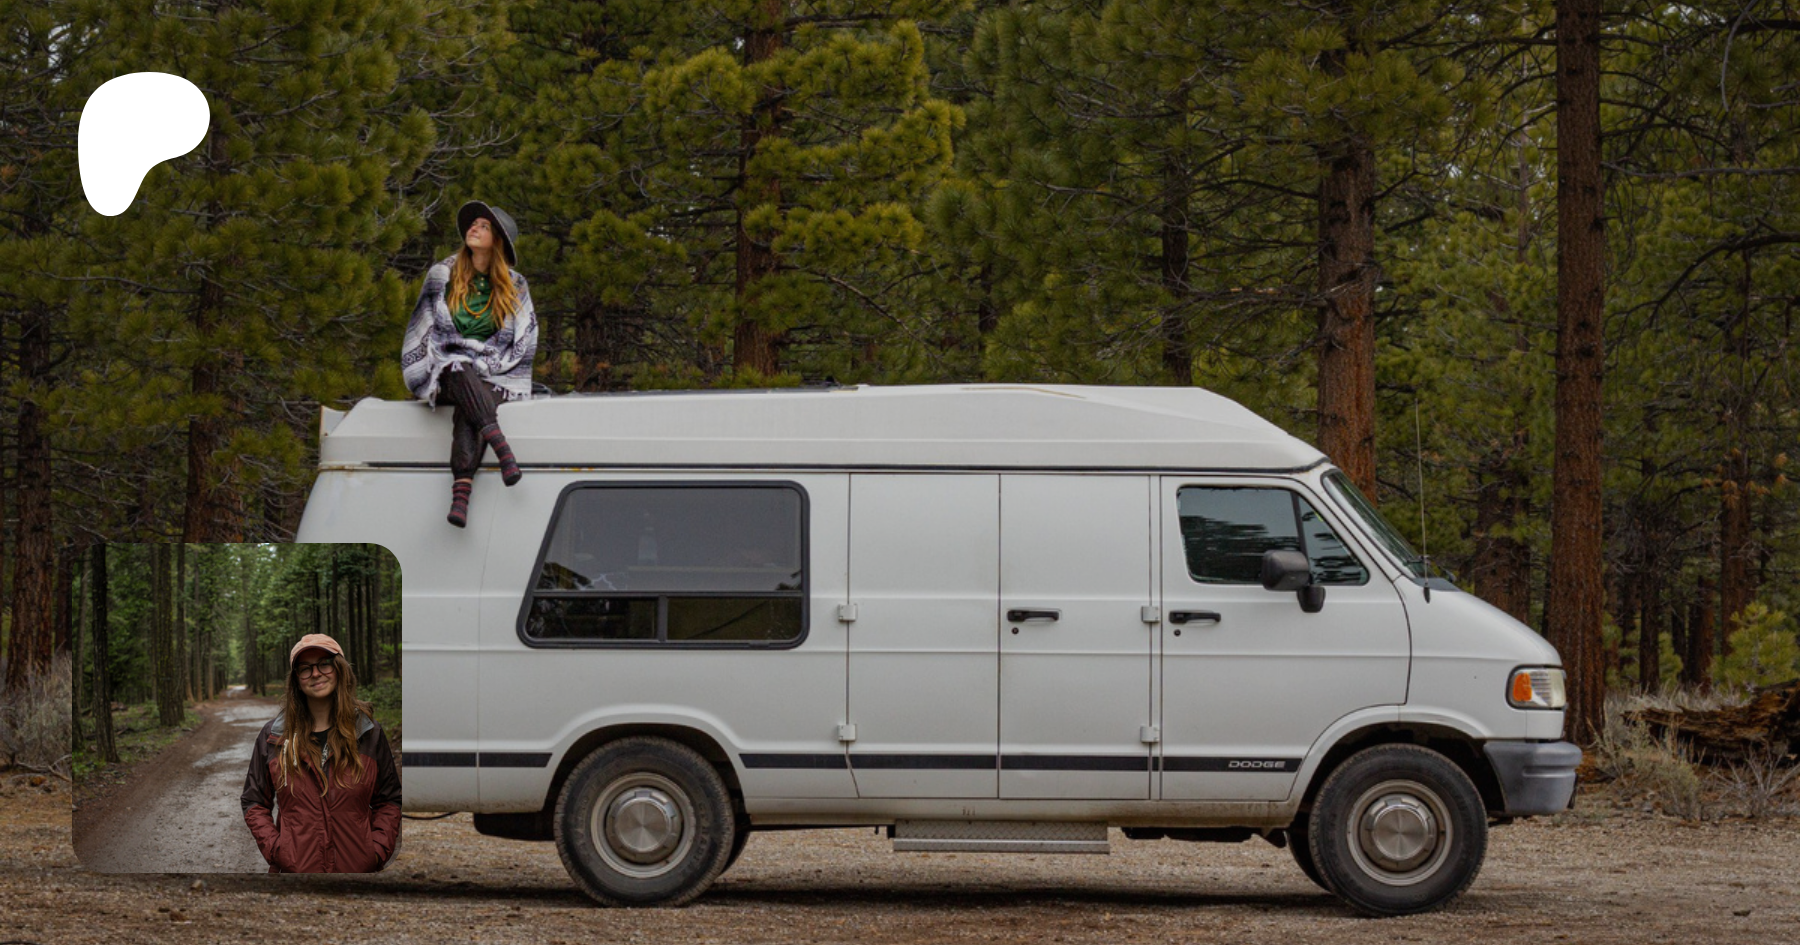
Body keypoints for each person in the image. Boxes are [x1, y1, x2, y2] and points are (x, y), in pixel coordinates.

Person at [400, 199, 538, 527]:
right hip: (444, 366)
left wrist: (493, 364)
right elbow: (424, 326)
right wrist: (450, 357)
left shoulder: (516, 286)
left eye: (484, 226)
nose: (474, 228)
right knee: (458, 367)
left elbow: (525, 334)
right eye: (473, 224)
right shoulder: (442, 275)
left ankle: (461, 496)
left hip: (492, 370)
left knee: (470, 406)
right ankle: (501, 447)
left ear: (497, 241)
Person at [241, 633, 402, 873]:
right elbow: (253, 801)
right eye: (305, 668)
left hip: (357, 873)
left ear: (339, 669)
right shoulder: (274, 737)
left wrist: (376, 851)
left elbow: (389, 799)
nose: (316, 673)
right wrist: (277, 850)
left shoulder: (368, 732)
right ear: (297, 680)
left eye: (324, 664)